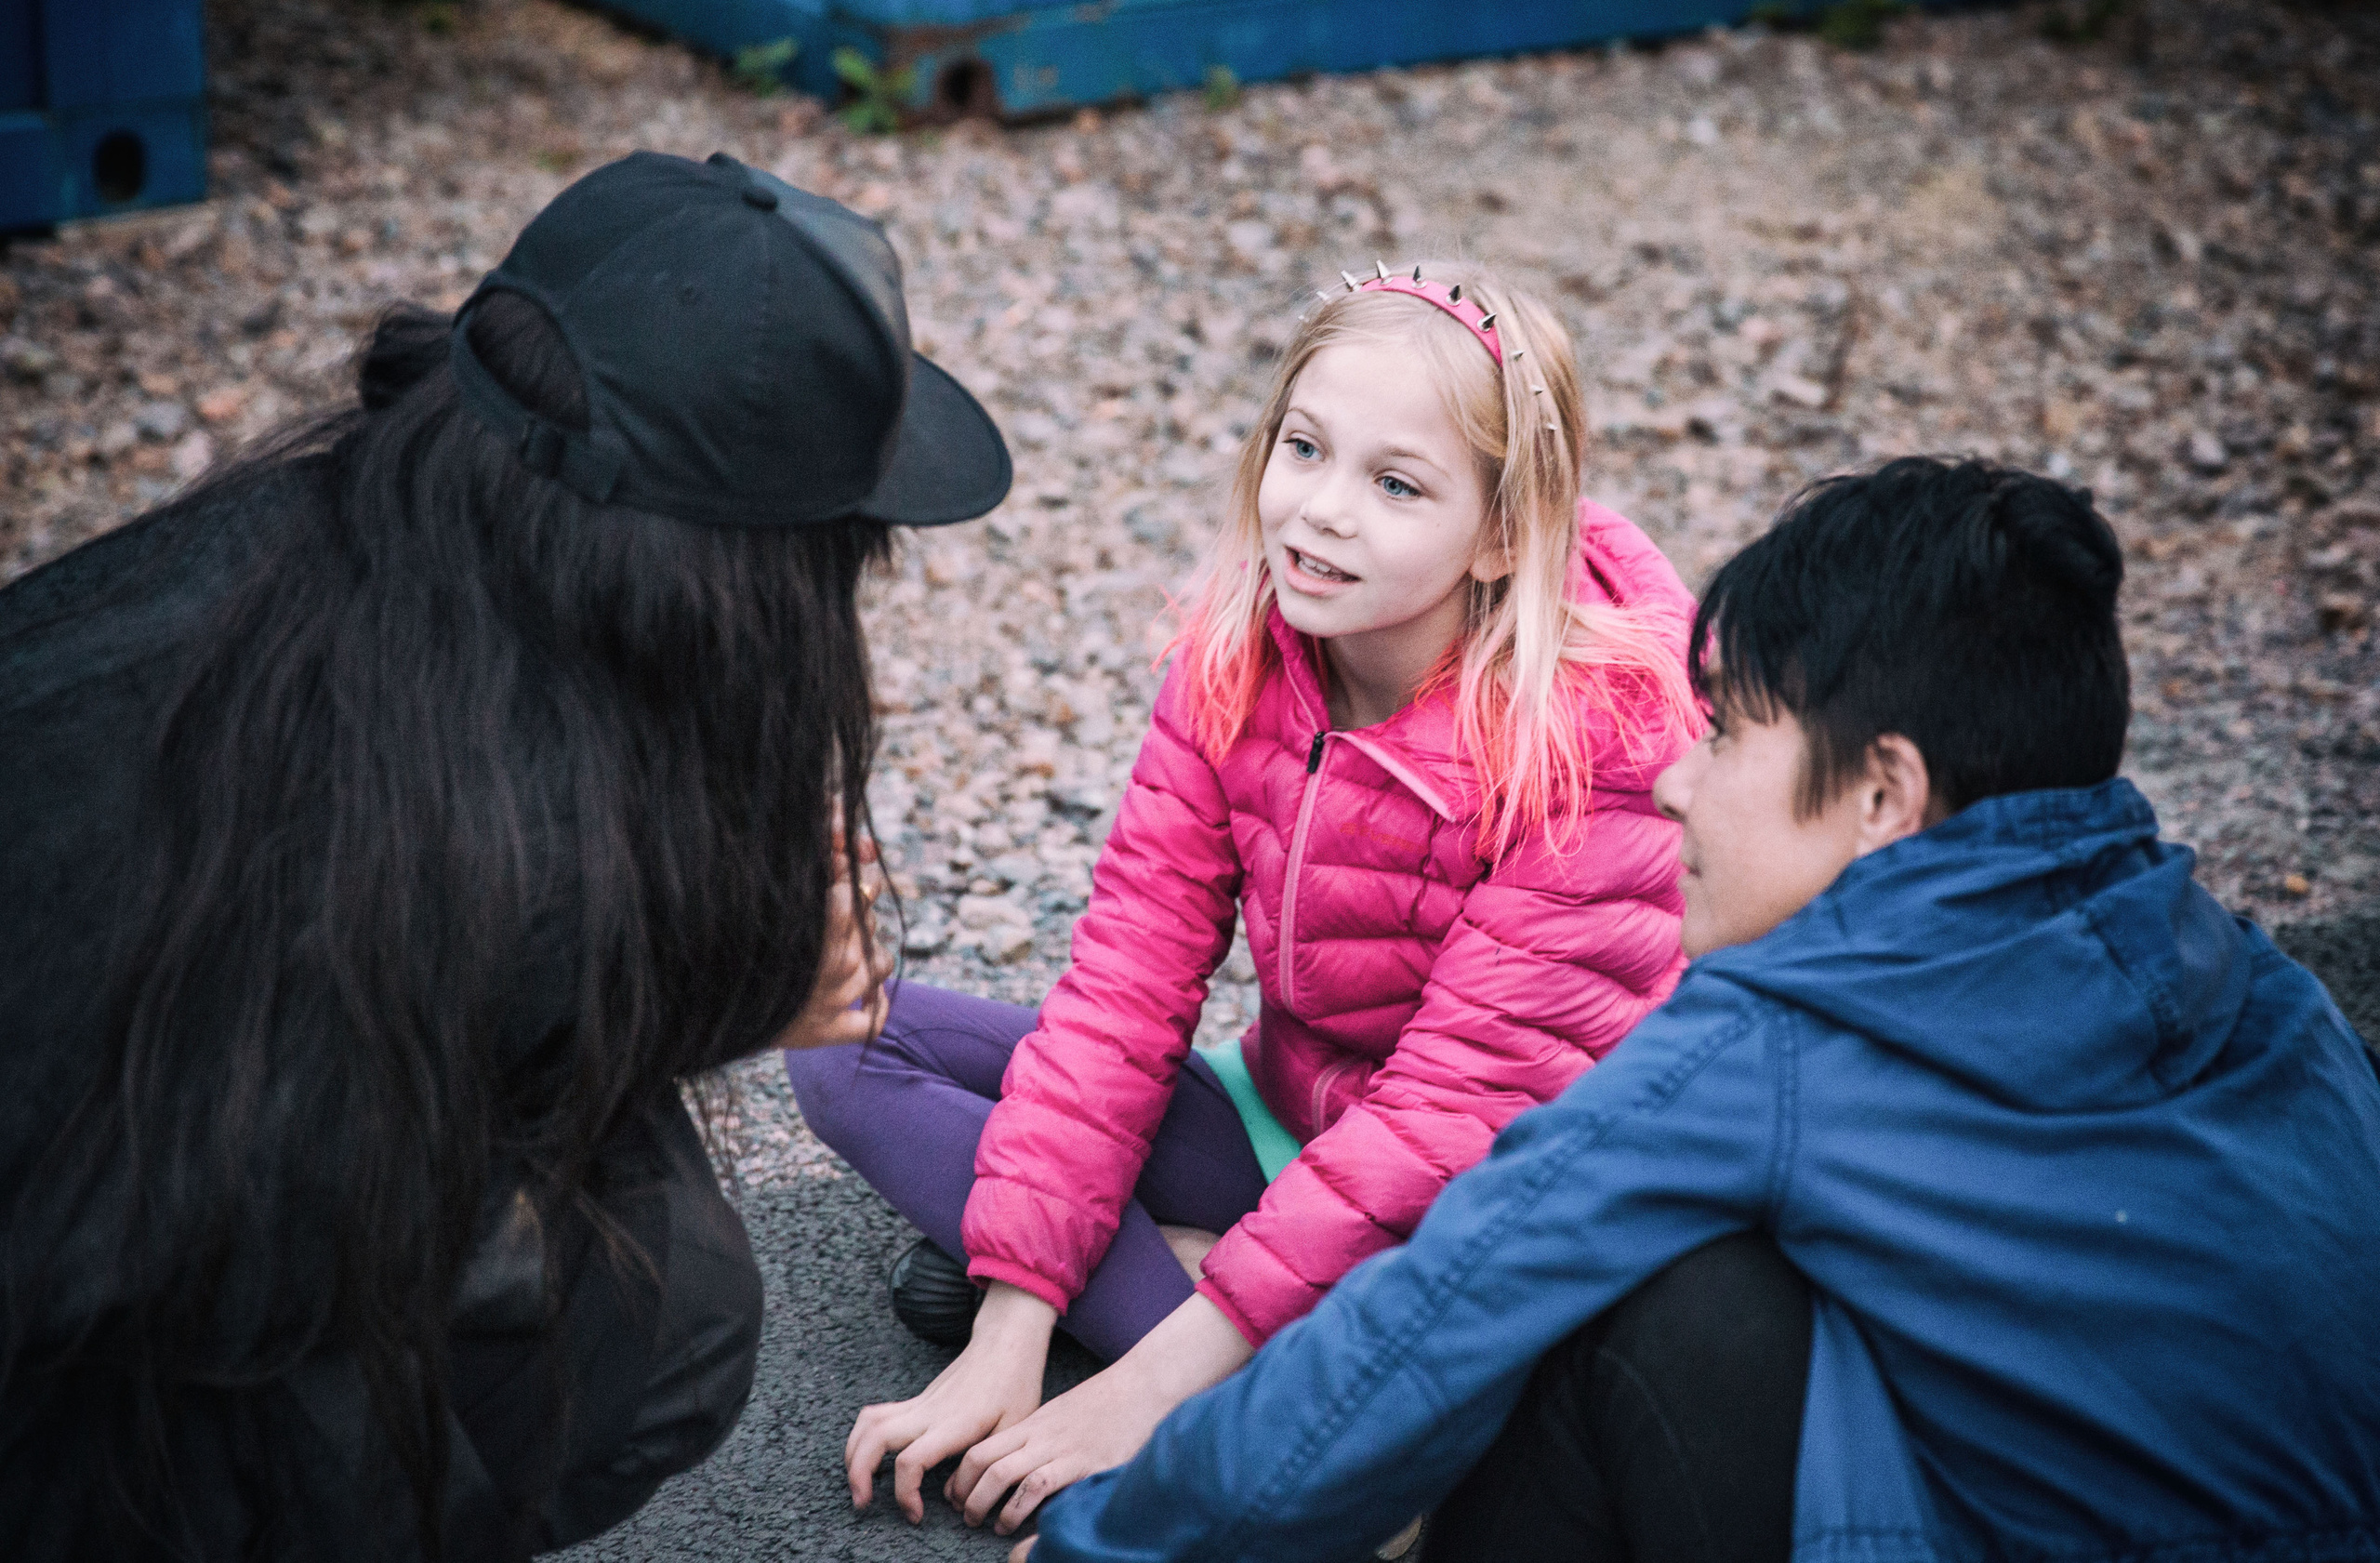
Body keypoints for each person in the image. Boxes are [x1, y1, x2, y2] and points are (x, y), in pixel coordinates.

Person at [1018, 457, 2380, 1563]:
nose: (1677, 782)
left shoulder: (1762, 1049)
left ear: (1884, 797)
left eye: (1727, 733)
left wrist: (1111, 1539)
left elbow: (1434, 1319)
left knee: (1610, 1303)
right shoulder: (2277, 1002)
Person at [0, 151, 1010, 1561]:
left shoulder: (320, 548)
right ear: (733, 595)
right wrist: (742, 993)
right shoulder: (487, 849)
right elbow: (261, 1240)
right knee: (665, 1319)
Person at [792, 260, 1704, 1537]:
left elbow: (1446, 1122)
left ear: (1504, 533)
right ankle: (1221, 1320)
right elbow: (1125, 983)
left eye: (1396, 485)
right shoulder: (1242, 653)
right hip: (1285, 1113)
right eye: (1306, 449)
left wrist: (1142, 1395)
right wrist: (1008, 1333)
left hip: (1480, 1201)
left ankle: (1230, 1371)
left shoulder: (1592, 741)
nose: (1321, 514)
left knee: (1455, 1326)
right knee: (847, 1044)